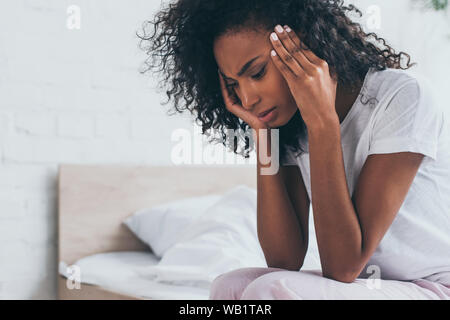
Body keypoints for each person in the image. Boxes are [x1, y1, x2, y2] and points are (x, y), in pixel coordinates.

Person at [138, 0, 450, 299]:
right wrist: (265, 137)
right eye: (233, 84)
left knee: (269, 291)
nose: (246, 99)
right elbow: (283, 259)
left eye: (257, 73)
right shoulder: (290, 124)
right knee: (229, 287)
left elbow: (343, 266)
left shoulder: (403, 97)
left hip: (435, 285)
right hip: (370, 287)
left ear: (304, 46)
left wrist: (323, 124)